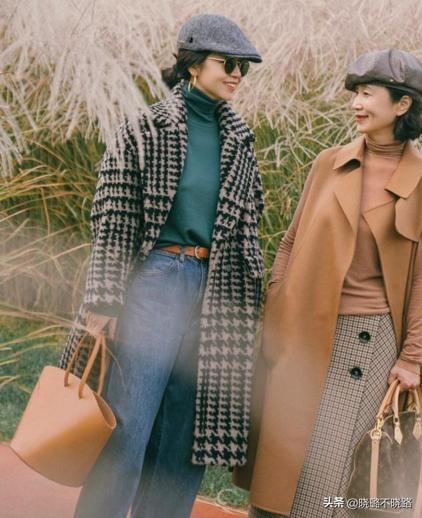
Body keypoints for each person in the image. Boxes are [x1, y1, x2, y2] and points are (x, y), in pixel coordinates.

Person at [58, 13, 264, 518]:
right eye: (228, 63)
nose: (238, 74)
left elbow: (249, 226)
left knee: (185, 434)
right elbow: (112, 218)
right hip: (156, 282)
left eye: (244, 67)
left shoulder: (241, 139)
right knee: (127, 423)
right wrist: (103, 300)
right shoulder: (146, 129)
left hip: (216, 291)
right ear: (193, 64)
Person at [234, 48, 422, 518]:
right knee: (280, 463)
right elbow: (290, 241)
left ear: (402, 104)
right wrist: (279, 304)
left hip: (368, 342)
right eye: (355, 93)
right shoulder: (329, 162)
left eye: (368, 94)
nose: (356, 103)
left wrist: (413, 356)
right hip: (304, 329)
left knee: (329, 472)